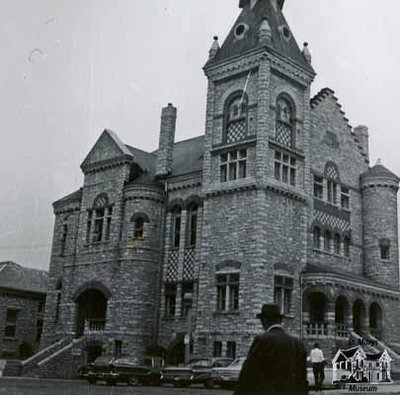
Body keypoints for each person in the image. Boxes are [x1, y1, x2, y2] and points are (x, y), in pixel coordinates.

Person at [234, 304, 308, 395]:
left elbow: (249, 374)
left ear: (264, 320)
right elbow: (302, 378)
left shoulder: (263, 340)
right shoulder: (297, 343)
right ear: (280, 320)